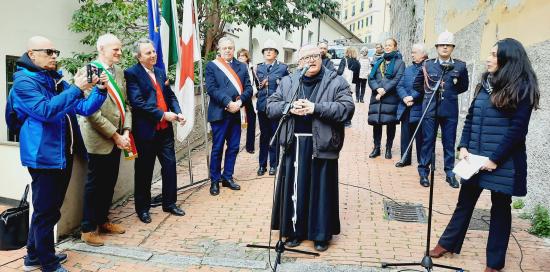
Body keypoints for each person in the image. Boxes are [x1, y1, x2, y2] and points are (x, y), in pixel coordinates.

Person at [429, 38, 540, 272]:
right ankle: (447, 243)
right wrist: (463, 145)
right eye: (489, 53)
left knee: (500, 209)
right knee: (464, 202)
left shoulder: (523, 88)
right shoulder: (484, 84)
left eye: (494, 54)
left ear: (508, 59)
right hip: (475, 157)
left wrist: (494, 159)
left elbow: (518, 131)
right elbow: (471, 118)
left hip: (504, 161)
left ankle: (495, 263)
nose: (488, 58)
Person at [6, 36, 107, 272]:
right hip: (44, 156)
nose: (54, 55)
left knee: (47, 210)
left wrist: (99, 90)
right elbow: (46, 111)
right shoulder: (24, 83)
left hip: (63, 153)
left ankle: (33, 257)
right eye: (48, 51)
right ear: (32, 54)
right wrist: (76, 88)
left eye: (55, 51)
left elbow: (82, 107)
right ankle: (47, 263)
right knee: (46, 212)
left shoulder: (55, 79)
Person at [267, 44, 354, 252]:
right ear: (299, 63)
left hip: (322, 143)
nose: (311, 60)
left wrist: (316, 108)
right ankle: (295, 231)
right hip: (293, 142)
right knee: (297, 190)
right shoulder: (289, 82)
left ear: (322, 57)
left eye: (315, 56)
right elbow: (270, 106)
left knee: (320, 191)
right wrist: (288, 107)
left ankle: (320, 235)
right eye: (306, 58)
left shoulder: (336, 81)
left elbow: (347, 109)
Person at [77, 34, 131, 246]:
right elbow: (91, 113)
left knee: (109, 183)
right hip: (99, 139)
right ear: (101, 49)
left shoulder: (117, 72)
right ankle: (88, 229)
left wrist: (126, 131)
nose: (120, 52)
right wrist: (115, 135)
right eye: (115, 49)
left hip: (117, 137)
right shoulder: (90, 71)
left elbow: (124, 105)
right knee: (95, 185)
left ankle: (103, 220)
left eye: (120, 49)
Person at [125, 38, 186, 224]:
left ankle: (169, 203)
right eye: (148, 53)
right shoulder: (132, 73)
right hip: (146, 132)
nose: (153, 55)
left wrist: (178, 112)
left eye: (153, 51)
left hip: (165, 131)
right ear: (138, 56)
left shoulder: (160, 71)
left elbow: (170, 95)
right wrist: (162, 114)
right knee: (144, 171)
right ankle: (142, 209)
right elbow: (137, 103)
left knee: (170, 166)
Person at [413, 31, 469, 188]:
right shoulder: (428, 65)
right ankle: (424, 172)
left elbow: (463, 86)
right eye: (442, 45)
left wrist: (449, 94)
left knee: (449, 142)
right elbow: (417, 84)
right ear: (437, 47)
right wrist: (430, 94)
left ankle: (450, 173)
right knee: (427, 141)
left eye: (448, 45)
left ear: (452, 48)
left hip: (450, 110)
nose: (445, 47)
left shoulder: (460, 66)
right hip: (430, 109)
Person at [205, 37, 253, 196]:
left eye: (230, 48)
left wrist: (239, 104)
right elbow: (211, 89)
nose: (227, 50)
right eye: (224, 48)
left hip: (236, 113)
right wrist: (228, 103)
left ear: (234, 49)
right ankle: (214, 180)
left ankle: (227, 177)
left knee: (233, 147)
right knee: (217, 148)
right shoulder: (212, 66)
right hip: (220, 113)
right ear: (219, 49)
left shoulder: (242, 66)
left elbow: (249, 88)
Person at [255, 39, 289, 176]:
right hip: (262, 106)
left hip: (276, 107)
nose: (268, 52)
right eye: (266, 50)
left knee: (274, 135)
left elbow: (288, 85)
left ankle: (274, 165)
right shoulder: (257, 68)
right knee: (264, 136)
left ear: (276, 53)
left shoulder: (283, 68)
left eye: (271, 50)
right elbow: (253, 86)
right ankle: (262, 165)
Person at [367, 38, 405, 159]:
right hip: (377, 97)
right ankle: (376, 148)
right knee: (376, 123)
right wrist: (377, 89)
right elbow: (371, 77)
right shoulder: (378, 61)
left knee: (390, 124)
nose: (387, 47)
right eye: (386, 45)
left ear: (395, 47)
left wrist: (384, 90)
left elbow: (397, 79)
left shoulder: (400, 63)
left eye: (390, 45)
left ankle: (388, 148)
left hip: (391, 97)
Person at [395, 43, 427, 168]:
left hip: (420, 108)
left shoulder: (428, 68)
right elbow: (399, 85)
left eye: (414, 52)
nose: (412, 54)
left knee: (420, 138)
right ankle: (405, 159)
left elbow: (425, 87)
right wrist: (405, 97)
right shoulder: (408, 69)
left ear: (422, 54)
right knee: (405, 136)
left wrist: (413, 96)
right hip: (407, 108)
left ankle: (422, 161)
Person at [237, 48, 257, 154]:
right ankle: (235, 145)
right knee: (237, 122)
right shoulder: (234, 67)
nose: (241, 58)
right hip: (238, 97)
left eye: (243, 56)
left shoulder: (252, 68)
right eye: (239, 56)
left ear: (247, 57)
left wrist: (250, 92)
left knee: (251, 122)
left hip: (250, 97)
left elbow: (255, 83)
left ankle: (250, 146)